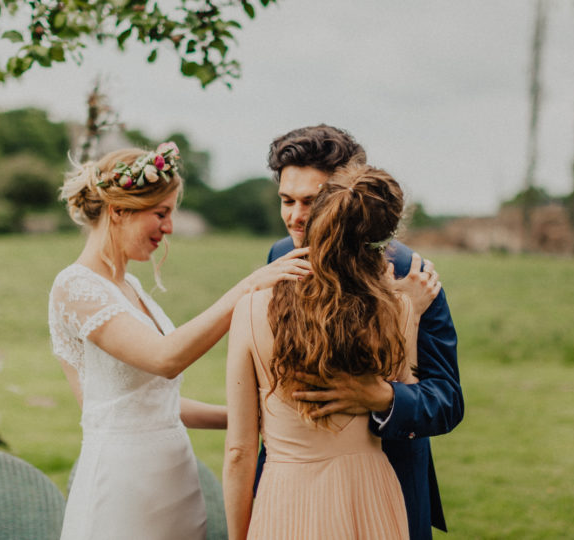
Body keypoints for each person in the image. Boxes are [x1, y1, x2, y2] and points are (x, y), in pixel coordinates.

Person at [48, 142, 311, 540]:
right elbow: (164, 358)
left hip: (173, 478)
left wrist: (248, 416)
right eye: (161, 213)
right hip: (123, 488)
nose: (169, 228)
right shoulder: (75, 286)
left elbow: (148, 402)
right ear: (119, 211)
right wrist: (248, 287)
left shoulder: (129, 285)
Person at [262, 125, 464, 539]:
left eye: (311, 201)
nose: (296, 217)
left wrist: (383, 396)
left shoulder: (411, 273)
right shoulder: (280, 256)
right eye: (287, 200)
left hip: (386, 482)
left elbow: (447, 401)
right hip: (291, 486)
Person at [224, 164, 440, 539]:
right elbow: (405, 396)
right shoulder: (400, 308)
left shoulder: (251, 308)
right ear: (383, 240)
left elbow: (239, 451)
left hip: (286, 495)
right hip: (371, 495)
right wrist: (410, 312)